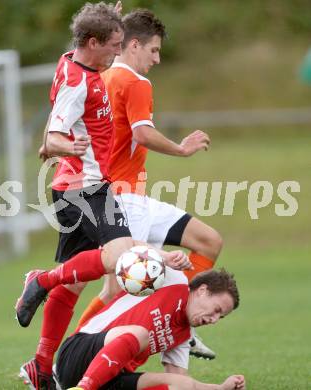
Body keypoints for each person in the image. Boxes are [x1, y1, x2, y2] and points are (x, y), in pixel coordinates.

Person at [16, 3, 191, 389]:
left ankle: (42, 367)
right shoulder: (80, 81)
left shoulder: (75, 60)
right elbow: (53, 134)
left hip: (74, 188)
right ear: (92, 43)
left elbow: (56, 118)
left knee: (73, 285)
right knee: (124, 255)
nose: (118, 51)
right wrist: (61, 146)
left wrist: (105, 14)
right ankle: (39, 280)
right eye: (114, 44)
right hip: (86, 188)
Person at [76, 9, 222, 360]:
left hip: (120, 194)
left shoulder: (104, 75)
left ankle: (179, 327)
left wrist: (107, 17)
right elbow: (142, 133)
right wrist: (181, 149)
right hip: (122, 198)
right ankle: (76, 353)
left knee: (208, 241)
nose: (157, 59)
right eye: (154, 50)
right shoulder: (136, 82)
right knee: (122, 289)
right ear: (134, 45)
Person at [55, 268, 245, 390]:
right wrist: (164, 255)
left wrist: (221, 388)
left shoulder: (183, 336)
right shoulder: (173, 278)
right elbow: (130, 251)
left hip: (110, 379)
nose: (214, 320)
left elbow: (181, 383)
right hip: (77, 353)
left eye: (221, 317)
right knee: (140, 334)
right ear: (202, 291)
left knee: (180, 385)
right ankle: (83, 388)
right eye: (216, 310)